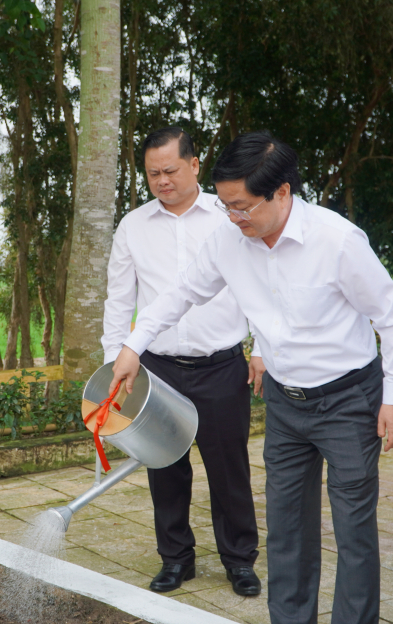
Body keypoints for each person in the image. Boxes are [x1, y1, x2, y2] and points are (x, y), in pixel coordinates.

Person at [107, 131, 393, 624]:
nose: (232, 217)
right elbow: (178, 294)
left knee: (353, 532)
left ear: (282, 193)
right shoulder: (228, 240)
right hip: (286, 404)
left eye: (242, 207)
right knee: (288, 532)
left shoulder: (337, 241)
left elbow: (390, 314)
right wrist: (132, 347)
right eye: (226, 206)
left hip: (348, 399)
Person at [102, 126, 261, 597]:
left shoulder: (227, 217)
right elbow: (118, 300)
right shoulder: (133, 226)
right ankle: (176, 559)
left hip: (221, 366)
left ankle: (239, 561)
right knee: (165, 470)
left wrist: (263, 350)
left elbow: (256, 284)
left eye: (170, 170)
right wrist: (115, 361)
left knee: (229, 469)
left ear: (194, 165)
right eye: (153, 173)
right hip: (158, 369)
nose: (162, 180)